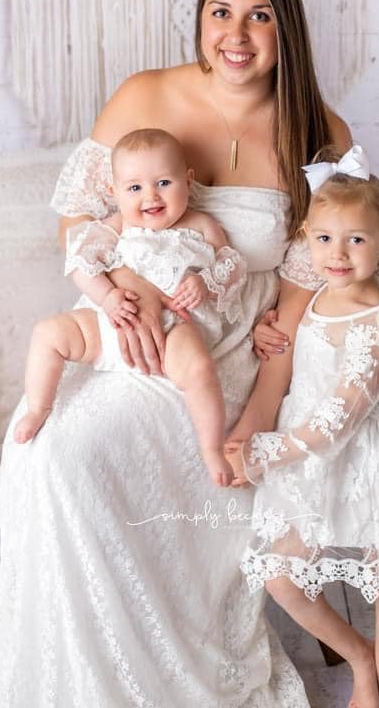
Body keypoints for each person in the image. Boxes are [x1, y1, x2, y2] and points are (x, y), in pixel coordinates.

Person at [0, 0, 353, 708]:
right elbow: (79, 220)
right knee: (43, 450)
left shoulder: (322, 134)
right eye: (221, 12)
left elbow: (314, 282)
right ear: (200, 19)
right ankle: (75, 673)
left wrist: (265, 402)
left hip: (233, 349)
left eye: (259, 16)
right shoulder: (144, 95)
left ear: (287, 28)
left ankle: (162, 664)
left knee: (92, 455)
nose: (236, 35)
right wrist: (123, 291)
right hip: (125, 320)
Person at [226, 145, 379, 708]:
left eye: (356, 240)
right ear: (306, 239)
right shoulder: (320, 292)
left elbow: (338, 417)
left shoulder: (375, 321)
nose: (337, 254)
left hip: (361, 457)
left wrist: (266, 451)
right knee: (280, 575)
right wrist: (265, 330)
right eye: (323, 239)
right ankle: (359, 654)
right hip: (311, 462)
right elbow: (293, 343)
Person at [15, 127, 247, 488]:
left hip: (176, 327)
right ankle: (38, 407)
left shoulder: (202, 226)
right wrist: (108, 297)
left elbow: (233, 266)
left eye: (164, 183)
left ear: (188, 181)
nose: (150, 196)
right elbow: (80, 262)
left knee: (200, 369)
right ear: (115, 192)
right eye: (134, 188)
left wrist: (206, 281)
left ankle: (211, 447)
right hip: (111, 322)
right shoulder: (117, 226)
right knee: (47, 333)